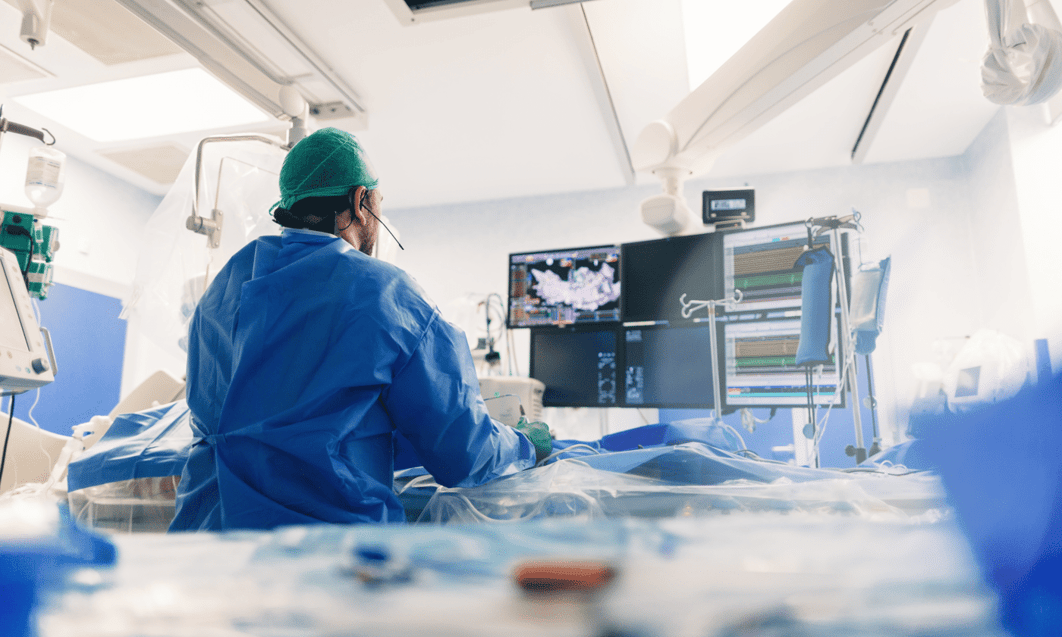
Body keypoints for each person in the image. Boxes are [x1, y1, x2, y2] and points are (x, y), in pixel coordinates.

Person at [169, 128, 551, 531]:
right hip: (324, 557)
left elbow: (273, 422)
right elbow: (464, 455)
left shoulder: (223, 287)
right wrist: (526, 443)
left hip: (205, 541)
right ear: (359, 202)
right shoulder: (386, 293)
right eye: (378, 203)